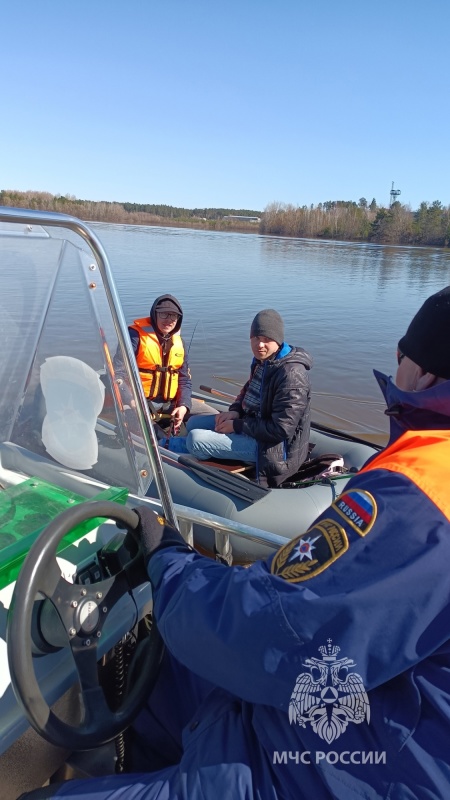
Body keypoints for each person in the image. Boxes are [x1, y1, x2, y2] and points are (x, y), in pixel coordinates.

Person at [21, 286, 450, 799]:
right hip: (368, 716)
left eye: (399, 356)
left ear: (421, 372)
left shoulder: (423, 490)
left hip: (325, 766)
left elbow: (276, 632)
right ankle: (132, 758)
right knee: (163, 670)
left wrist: (170, 559)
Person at [185, 309, 313, 487]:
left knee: (195, 439)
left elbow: (280, 430)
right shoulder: (264, 361)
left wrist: (237, 426)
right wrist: (236, 411)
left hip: (272, 448)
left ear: (278, 340)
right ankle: (174, 446)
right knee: (192, 424)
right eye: (256, 338)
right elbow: (248, 390)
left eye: (266, 339)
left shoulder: (291, 376)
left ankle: (172, 449)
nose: (260, 345)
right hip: (252, 424)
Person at [119, 293, 216, 434]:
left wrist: (183, 405)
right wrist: (131, 400)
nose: (169, 320)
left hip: (169, 404)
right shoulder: (134, 336)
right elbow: (118, 373)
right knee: (154, 437)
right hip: (138, 403)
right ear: (154, 314)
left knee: (215, 417)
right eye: (164, 314)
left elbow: (184, 380)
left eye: (174, 316)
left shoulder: (179, 343)